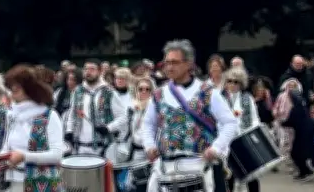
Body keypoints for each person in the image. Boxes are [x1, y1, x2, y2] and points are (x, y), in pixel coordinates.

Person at [141, 39, 239, 192]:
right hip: (168, 168)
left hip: (201, 166)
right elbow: (148, 123)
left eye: (174, 62)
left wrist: (216, 148)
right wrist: (149, 145)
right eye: (167, 63)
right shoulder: (159, 94)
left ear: (189, 64)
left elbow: (230, 123)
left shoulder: (208, 92)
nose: (169, 67)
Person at [0, 64, 65, 192]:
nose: (11, 94)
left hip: (43, 185)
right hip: (14, 182)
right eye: (11, 89)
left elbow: (57, 155)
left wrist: (24, 157)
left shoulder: (49, 115)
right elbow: (7, 146)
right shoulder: (12, 115)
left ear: (30, 90)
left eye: (15, 89)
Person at [64, 59, 126, 156]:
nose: (88, 72)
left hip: (103, 147)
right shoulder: (77, 91)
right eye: (86, 69)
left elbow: (123, 117)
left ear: (100, 71)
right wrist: (69, 131)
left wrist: (108, 128)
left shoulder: (109, 92)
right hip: (80, 147)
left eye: (92, 69)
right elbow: (72, 114)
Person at [222, 68, 261, 192]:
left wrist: (252, 134)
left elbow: (255, 119)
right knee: (229, 175)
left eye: (236, 82)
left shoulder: (247, 98)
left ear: (241, 84)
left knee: (251, 175)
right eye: (230, 81)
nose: (232, 84)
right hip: (227, 142)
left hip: (244, 140)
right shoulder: (220, 98)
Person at [273, 78, 314, 181]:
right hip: (298, 130)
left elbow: (292, 119)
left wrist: (283, 122)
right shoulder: (296, 104)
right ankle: (302, 172)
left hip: (301, 131)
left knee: (297, 152)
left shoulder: (297, 106)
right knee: (294, 151)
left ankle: (306, 171)